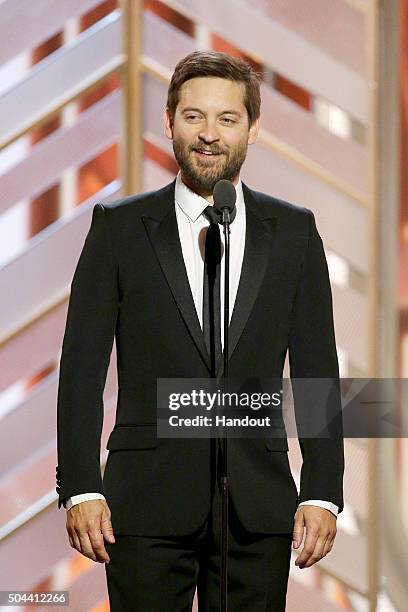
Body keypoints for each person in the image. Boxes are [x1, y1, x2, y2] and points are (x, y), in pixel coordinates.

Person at [56, 51, 344, 611]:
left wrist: (324, 491)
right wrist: (82, 487)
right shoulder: (117, 229)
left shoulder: (293, 232)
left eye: (227, 119)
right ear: (168, 122)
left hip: (256, 507)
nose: (209, 135)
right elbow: (81, 370)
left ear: (252, 128)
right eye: (193, 117)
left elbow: (317, 371)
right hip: (142, 506)